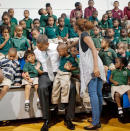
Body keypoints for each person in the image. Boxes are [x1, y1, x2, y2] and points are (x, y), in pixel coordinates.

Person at [34, 34, 76, 131]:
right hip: (45, 73)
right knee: (42, 87)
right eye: (37, 46)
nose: (39, 49)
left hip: (59, 72)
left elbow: (67, 55)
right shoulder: (36, 51)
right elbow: (35, 63)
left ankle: (68, 118)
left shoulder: (56, 47)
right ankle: (46, 119)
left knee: (72, 86)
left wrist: (69, 66)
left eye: (41, 47)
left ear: (47, 44)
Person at [74, 19, 106, 130]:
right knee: (97, 93)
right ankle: (97, 119)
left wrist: (95, 67)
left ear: (76, 27)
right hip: (95, 65)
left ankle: (96, 122)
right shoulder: (84, 35)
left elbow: (93, 49)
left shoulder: (83, 35)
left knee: (93, 94)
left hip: (94, 67)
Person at [51, 43, 78, 111]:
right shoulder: (62, 56)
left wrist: (70, 69)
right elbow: (65, 46)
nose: (58, 53)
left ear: (65, 51)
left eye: (59, 51)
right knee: (55, 86)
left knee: (65, 87)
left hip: (66, 74)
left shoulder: (71, 58)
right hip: (59, 72)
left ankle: (64, 103)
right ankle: (54, 103)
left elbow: (76, 67)